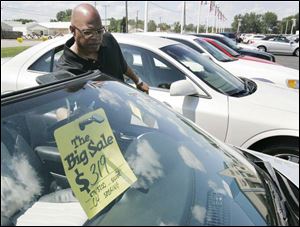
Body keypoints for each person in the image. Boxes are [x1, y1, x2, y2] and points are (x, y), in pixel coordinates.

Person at [55, 3, 149, 94]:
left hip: (124, 107)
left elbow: (123, 66)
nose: (97, 38)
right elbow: (64, 105)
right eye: (88, 32)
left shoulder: (108, 41)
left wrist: (138, 81)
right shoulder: (65, 70)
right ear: (72, 30)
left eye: (99, 31)